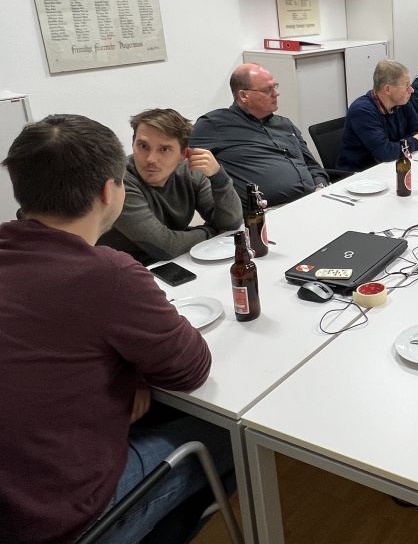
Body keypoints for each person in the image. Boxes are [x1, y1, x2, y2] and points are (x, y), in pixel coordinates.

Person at [0, 114, 231, 544]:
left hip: (15, 497)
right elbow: (191, 369)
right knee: (228, 431)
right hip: (64, 522)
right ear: (110, 191)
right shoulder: (107, 273)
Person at [98, 108, 243, 265]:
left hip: (172, 263)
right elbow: (166, 247)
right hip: (121, 269)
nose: (151, 159)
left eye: (164, 149)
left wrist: (218, 177)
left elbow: (230, 223)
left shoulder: (191, 172)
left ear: (183, 154)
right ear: (133, 143)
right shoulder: (120, 182)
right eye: (143, 146)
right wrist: (211, 231)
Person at [190, 63, 328, 207]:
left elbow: (313, 166)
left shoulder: (285, 124)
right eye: (268, 89)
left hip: (314, 200)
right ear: (244, 96)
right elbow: (181, 159)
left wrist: (320, 186)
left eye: (275, 86)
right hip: (267, 211)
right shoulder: (214, 124)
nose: (276, 93)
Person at [337, 60, 418, 172]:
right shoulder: (362, 111)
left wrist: (399, 146)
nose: (411, 90)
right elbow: (384, 152)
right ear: (387, 89)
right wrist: (414, 142)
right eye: (406, 85)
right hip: (360, 175)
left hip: (392, 166)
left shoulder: (402, 103)